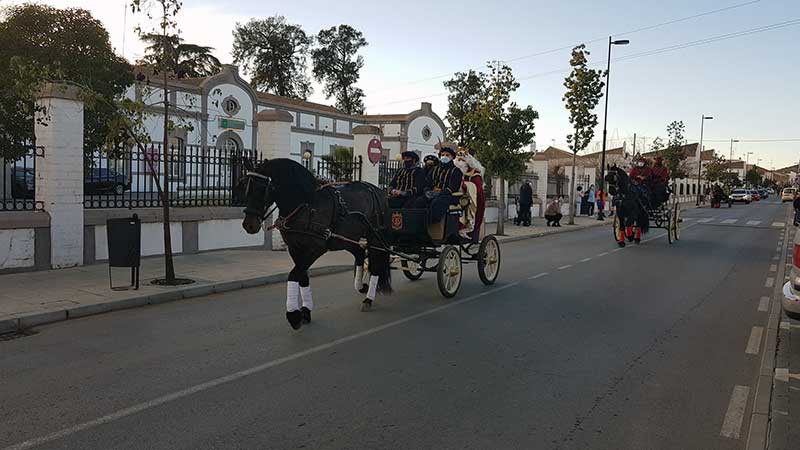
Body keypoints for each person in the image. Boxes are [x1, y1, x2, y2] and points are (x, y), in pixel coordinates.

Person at [413, 143, 463, 223]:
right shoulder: (434, 169)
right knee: (419, 201)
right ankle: (418, 224)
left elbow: (453, 188)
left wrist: (438, 193)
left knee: (436, 203)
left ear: (452, 157)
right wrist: (427, 191)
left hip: (448, 196)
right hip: (432, 193)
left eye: (447, 155)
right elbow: (427, 183)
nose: (444, 157)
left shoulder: (456, 171)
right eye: (442, 155)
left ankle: (431, 224)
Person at [455, 150, 486, 239]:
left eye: (463, 160)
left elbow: (476, 188)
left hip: (471, 200)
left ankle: (466, 229)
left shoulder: (475, 174)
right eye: (459, 160)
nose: (460, 163)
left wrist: (464, 186)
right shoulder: (455, 172)